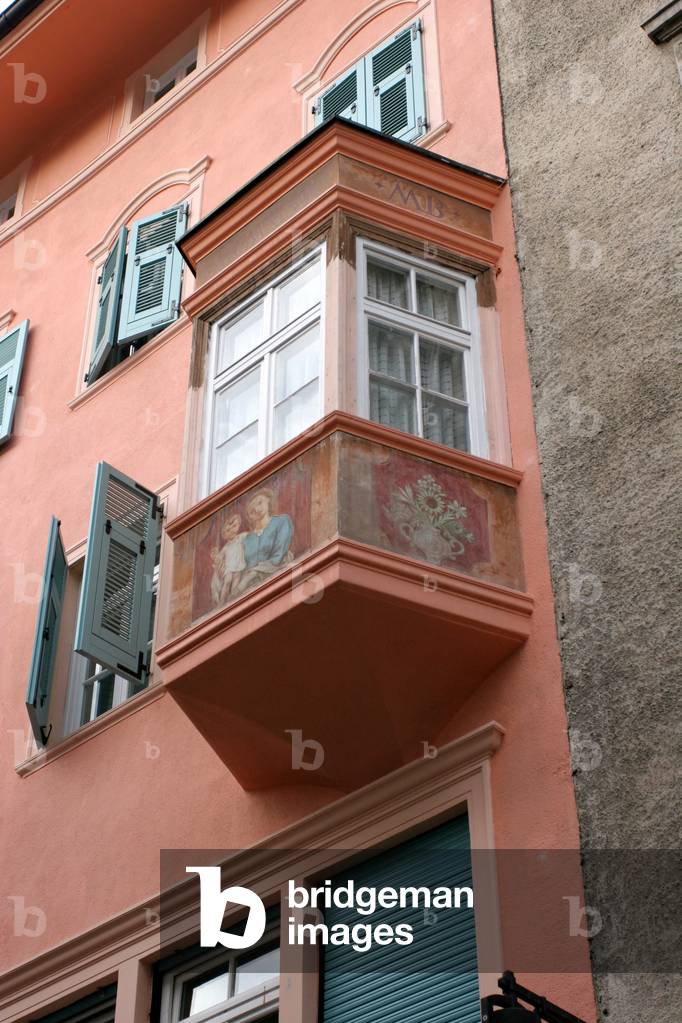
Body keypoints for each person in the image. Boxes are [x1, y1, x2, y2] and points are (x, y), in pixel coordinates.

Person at [235, 490, 293, 595]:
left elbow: (279, 555)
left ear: (268, 501)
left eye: (260, 502)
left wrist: (253, 573)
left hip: (278, 581)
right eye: (252, 510)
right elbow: (241, 566)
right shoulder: (246, 539)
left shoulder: (282, 522)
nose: (257, 509)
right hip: (248, 590)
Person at [210, 512, 247, 604]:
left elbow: (249, 535)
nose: (232, 531)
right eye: (228, 530)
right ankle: (222, 603)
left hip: (239, 565)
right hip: (229, 568)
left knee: (236, 582)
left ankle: (234, 600)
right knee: (227, 581)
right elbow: (219, 558)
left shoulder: (240, 538)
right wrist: (215, 555)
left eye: (235, 526)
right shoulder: (226, 547)